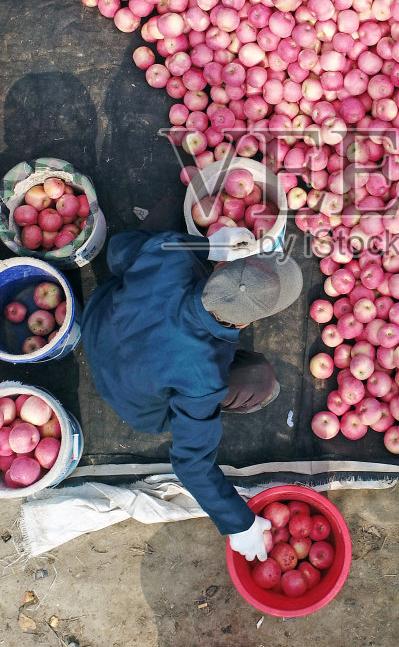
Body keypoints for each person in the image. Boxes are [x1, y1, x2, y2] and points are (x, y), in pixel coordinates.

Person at [80, 219, 303, 562]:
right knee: (259, 380)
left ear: (225, 266)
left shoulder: (171, 257)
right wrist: (238, 522)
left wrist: (202, 246)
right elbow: (191, 463)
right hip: (138, 405)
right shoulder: (202, 378)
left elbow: (119, 250)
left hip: (98, 327)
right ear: (243, 322)